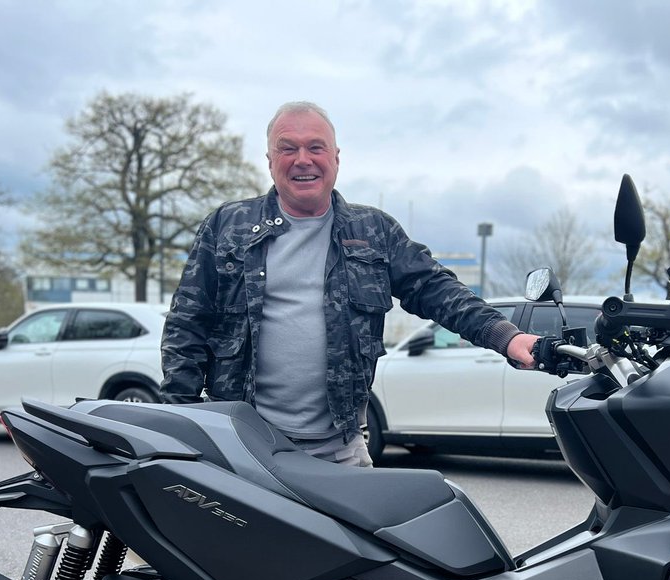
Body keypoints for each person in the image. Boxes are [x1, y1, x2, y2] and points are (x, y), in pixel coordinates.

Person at [160, 100, 539, 466]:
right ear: (270, 160)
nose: (302, 159)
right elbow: (186, 324)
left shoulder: (374, 231)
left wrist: (506, 336)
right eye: (287, 148)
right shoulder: (228, 226)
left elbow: (436, 289)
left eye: (315, 147)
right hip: (240, 443)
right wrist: (184, 427)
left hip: (338, 447)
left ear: (336, 158)